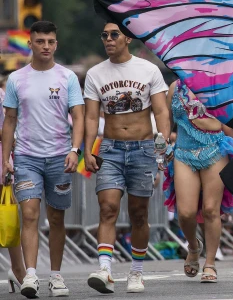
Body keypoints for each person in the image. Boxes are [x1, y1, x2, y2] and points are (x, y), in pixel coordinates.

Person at [82, 22, 171, 294]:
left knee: (138, 213)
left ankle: (136, 271)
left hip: (143, 148)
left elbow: (161, 112)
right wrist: (88, 149)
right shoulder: (95, 73)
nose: (108, 39)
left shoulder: (149, 70)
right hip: (110, 148)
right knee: (108, 208)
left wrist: (163, 140)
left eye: (114, 35)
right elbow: (90, 116)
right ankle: (105, 270)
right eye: (104, 35)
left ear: (128, 38)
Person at [1, 21, 85, 298]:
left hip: (60, 157)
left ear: (56, 44)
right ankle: (31, 275)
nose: (45, 46)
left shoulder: (67, 77)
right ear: (31, 44)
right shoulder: (16, 79)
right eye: (40, 41)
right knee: (29, 215)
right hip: (27, 158)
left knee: (57, 218)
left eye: (50, 41)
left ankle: (57, 277)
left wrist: (75, 150)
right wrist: (6, 160)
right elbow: (9, 120)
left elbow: (79, 115)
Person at [162, 80, 233, 283]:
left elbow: (230, 121)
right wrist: (163, 146)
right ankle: (194, 247)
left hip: (215, 149)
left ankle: (210, 263)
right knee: (186, 212)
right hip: (183, 153)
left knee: (210, 210)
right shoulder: (175, 88)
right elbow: (165, 119)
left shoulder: (219, 83)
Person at [0, 76, 25, 294]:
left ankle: (18, 270)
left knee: (8, 218)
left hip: (1, 160)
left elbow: (9, 127)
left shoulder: (3, 95)